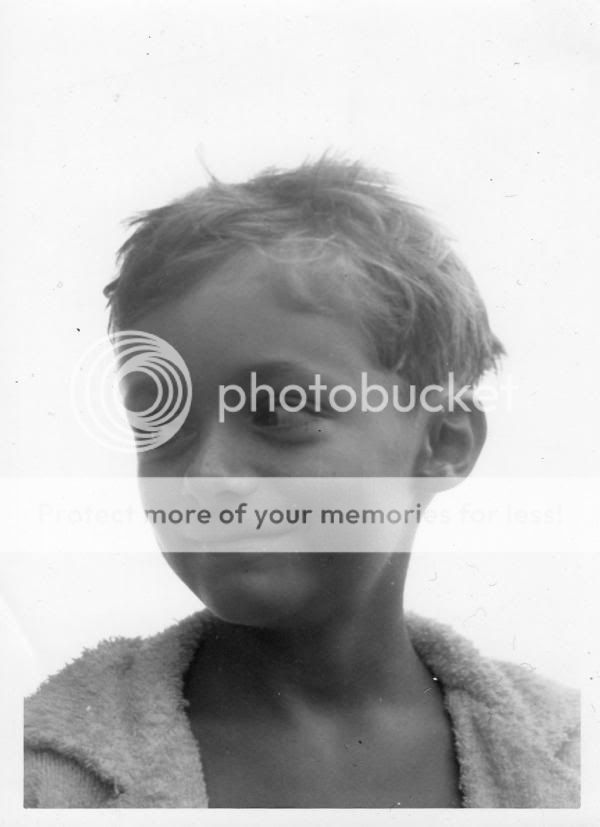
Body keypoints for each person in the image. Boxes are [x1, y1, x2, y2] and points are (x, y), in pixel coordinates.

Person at [24, 157, 580, 808]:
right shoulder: (42, 778)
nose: (206, 478)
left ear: (444, 444)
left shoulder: (569, 760)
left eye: (280, 411)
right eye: (161, 421)